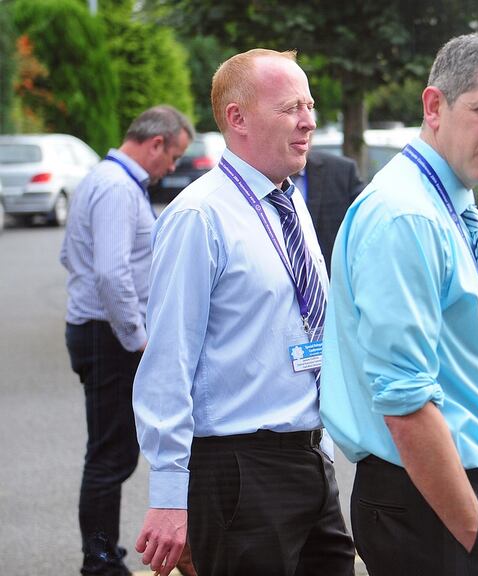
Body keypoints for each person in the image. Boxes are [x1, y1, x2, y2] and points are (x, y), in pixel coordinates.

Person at [318, 33, 478, 576]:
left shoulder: (444, 200)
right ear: (434, 106)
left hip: (444, 499)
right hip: (433, 505)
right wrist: (471, 529)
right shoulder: (408, 216)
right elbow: (404, 399)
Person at [132, 49, 355, 576]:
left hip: (308, 458)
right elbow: (168, 360)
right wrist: (168, 494)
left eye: (310, 104)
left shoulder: (288, 200)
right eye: (290, 108)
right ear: (237, 118)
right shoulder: (198, 216)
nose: (309, 120)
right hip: (237, 471)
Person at [61, 105, 193, 576]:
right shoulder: (117, 187)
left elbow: (70, 255)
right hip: (109, 337)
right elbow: (111, 273)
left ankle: (101, 557)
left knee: (109, 453)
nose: (173, 167)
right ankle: (99, 563)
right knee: (110, 457)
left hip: (97, 332)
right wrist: (138, 339)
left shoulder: (104, 178)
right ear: (155, 144)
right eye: (174, 156)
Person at [292, 148, 363, 273]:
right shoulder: (252, 176)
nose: (309, 127)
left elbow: (365, 232)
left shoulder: (342, 172)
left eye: (314, 126)